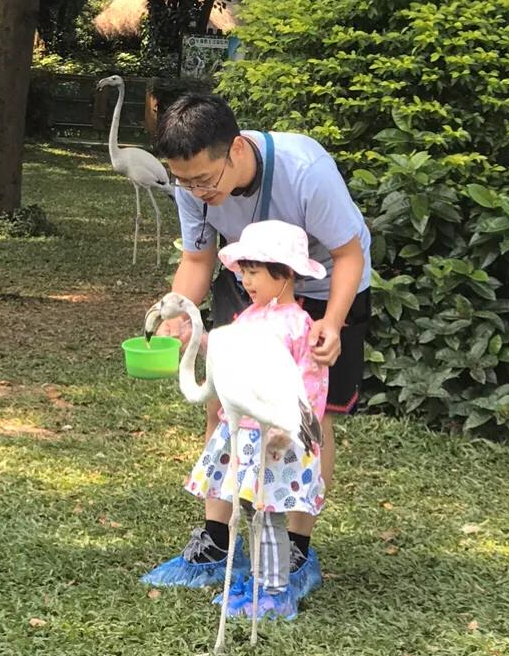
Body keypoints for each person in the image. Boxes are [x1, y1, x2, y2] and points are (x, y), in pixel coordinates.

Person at [142, 93, 371, 599]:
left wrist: (331, 323)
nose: (197, 192)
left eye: (205, 179)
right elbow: (199, 261)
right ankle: (216, 543)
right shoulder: (193, 185)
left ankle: (295, 550)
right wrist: (180, 312)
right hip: (246, 284)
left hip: (326, 286)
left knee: (311, 413)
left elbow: (349, 254)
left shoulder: (305, 170)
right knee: (223, 402)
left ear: (237, 149)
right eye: (184, 182)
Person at [179, 221, 329, 620]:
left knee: (270, 514)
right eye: (243, 272)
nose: (245, 281)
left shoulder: (299, 326)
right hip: (243, 435)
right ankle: (262, 579)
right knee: (250, 509)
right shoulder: (249, 318)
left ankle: (275, 590)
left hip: (276, 440)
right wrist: (197, 337)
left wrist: (287, 430)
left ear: (285, 272)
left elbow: (310, 383)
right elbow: (230, 352)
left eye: (254, 272)